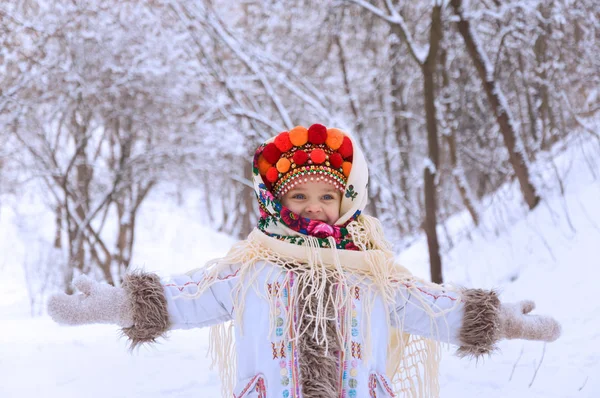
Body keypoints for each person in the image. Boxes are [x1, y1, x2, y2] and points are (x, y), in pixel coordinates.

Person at [48, 124, 561, 398]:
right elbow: (187, 296)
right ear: (276, 203)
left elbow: (437, 306)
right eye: (298, 197)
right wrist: (118, 303)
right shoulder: (250, 267)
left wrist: (499, 319)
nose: (313, 206)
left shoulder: (374, 271)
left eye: (326, 196)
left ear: (346, 202)